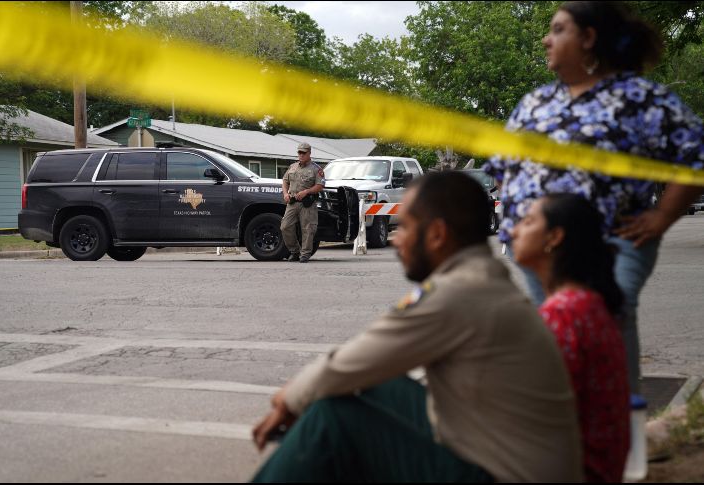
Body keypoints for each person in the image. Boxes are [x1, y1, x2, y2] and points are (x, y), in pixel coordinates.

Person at [251, 172, 583, 483]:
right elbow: (363, 360)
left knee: (333, 418)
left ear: (437, 234)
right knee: (375, 382)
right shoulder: (479, 278)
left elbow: (350, 362)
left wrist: (290, 399)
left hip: (505, 474)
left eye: (406, 227)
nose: (397, 241)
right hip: (509, 454)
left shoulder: (459, 293)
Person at [484, 1, 704, 393]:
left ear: (588, 38)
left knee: (607, 322)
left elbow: (696, 155)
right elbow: (502, 168)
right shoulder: (535, 102)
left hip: (612, 242)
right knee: (557, 336)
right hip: (541, 249)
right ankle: (572, 434)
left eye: (558, 30)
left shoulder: (639, 98)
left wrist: (662, 217)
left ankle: (622, 431)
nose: (545, 39)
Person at [511, 193, 630, 482]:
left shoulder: (563, 314)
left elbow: (531, 414)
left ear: (554, 237)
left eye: (527, 222)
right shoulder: (586, 303)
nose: (514, 230)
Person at [281, 142, 326, 263]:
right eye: (299, 152)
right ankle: (295, 251)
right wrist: (285, 193)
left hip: (307, 203)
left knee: (307, 229)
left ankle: (305, 254)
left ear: (309, 153)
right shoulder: (293, 167)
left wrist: (307, 191)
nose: (301, 155)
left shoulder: (316, 169)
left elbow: (320, 185)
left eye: (303, 153)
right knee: (285, 226)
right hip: (292, 202)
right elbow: (285, 181)